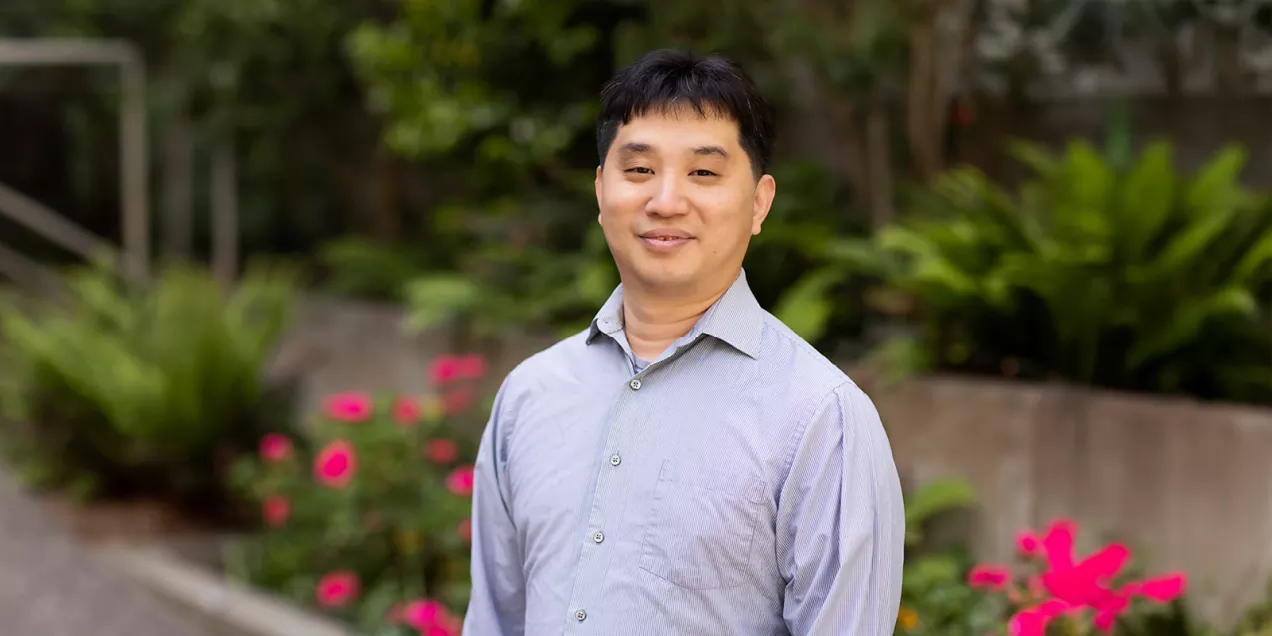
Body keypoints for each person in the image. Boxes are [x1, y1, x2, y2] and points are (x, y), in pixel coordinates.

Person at [464, 48, 905, 635]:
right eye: (639, 170)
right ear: (600, 190)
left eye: (703, 173)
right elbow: (495, 621)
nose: (666, 202)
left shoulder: (820, 418)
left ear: (759, 202)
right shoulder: (531, 394)